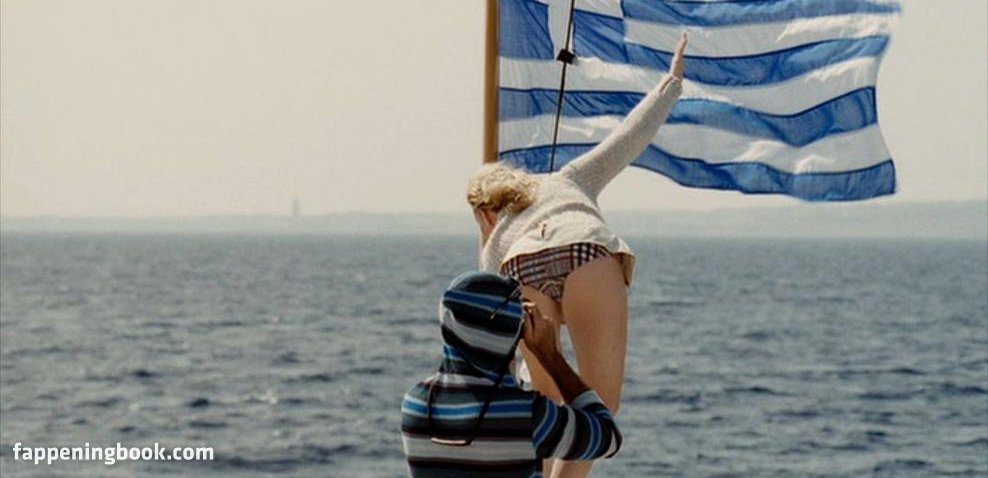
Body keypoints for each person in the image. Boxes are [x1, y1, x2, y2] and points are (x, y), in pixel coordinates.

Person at [467, 35, 688, 476]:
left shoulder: (496, 241)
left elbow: (491, 335)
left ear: (485, 211)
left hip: (522, 264)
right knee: (597, 407)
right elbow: (627, 139)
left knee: (546, 404)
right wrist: (671, 82)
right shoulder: (568, 180)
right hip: (584, 249)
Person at [400, 271, 622, 477]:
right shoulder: (529, 416)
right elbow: (608, 437)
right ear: (512, 334)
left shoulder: (416, 404)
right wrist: (550, 357)